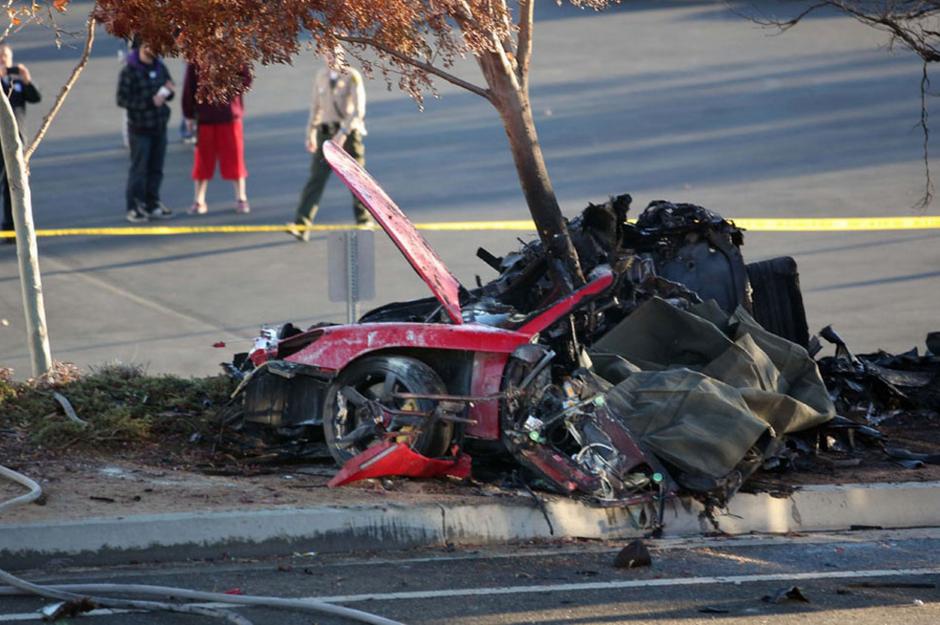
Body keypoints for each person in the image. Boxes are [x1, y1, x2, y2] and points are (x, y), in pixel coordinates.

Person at [289, 49, 370, 242]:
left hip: (348, 134)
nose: (331, 57)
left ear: (342, 54)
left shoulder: (352, 76)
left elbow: (359, 110)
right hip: (325, 133)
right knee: (316, 179)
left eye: (335, 52)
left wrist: (343, 133)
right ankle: (302, 224)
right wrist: (310, 133)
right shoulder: (321, 76)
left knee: (357, 179)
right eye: (327, 53)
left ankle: (364, 221)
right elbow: (316, 106)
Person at [116, 39, 174, 223]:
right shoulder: (129, 71)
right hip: (140, 128)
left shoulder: (160, 67)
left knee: (156, 168)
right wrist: (150, 102)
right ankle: (134, 206)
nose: (153, 49)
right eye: (149, 45)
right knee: (139, 169)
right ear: (140, 48)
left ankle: (152, 202)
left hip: (159, 125)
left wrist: (168, 92)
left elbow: (169, 87)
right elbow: (122, 100)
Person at [182, 64, 251, 215]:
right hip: (206, 117)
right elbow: (189, 85)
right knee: (202, 160)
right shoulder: (197, 54)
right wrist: (188, 114)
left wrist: (227, 90)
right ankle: (199, 200)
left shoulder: (234, 51)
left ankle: (241, 197)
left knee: (235, 158)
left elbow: (246, 79)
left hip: (229, 117)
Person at [0, 44, 40, 245]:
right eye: (0, 56)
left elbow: (35, 98)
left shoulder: (16, 81)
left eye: (6, 56)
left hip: (16, 142)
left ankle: (11, 228)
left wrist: (27, 79)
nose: (3, 60)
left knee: (14, 185)